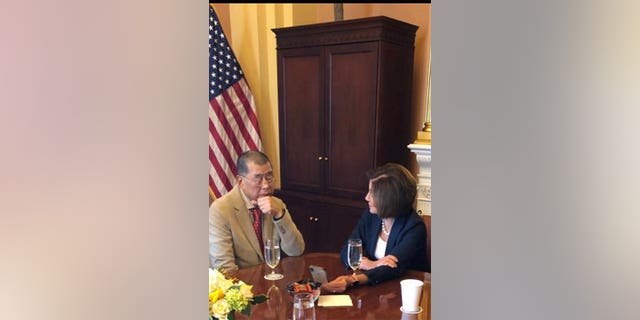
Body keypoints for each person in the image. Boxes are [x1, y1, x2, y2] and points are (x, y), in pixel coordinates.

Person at [322, 163, 428, 293]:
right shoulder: (372, 216)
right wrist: (371, 264)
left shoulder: (414, 227)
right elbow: (347, 249)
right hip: (375, 288)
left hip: (403, 293)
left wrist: (352, 280)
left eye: (372, 193)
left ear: (389, 198)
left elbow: (392, 269)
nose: (366, 197)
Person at [209, 150, 305, 272]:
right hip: (241, 285)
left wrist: (280, 216)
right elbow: (225, 269)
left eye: (269, 176)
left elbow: (296, 251)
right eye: (258, 178)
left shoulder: (276, 204)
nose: (265, 185)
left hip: (271, 278)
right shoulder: (220, 209)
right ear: (240, 181)